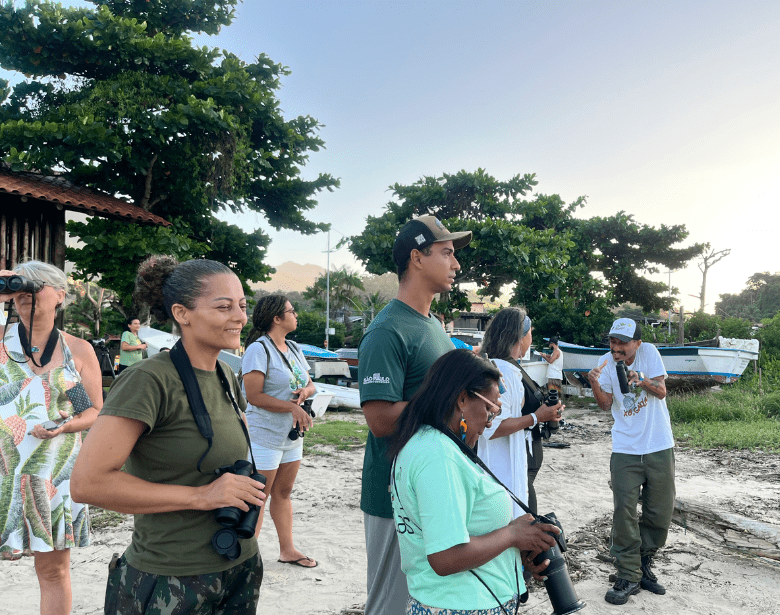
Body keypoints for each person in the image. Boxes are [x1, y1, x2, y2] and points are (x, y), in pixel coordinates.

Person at [70, 256, 266, 614]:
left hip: (239, 566)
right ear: (182, 313)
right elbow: (88, 483)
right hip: (171, 579)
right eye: (224, 307)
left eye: (242, 305)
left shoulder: (225, 374)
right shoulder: (148, 380)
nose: (240, 317)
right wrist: (201, 496)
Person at [386, 349, 559, 614]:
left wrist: (514, 552)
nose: (490, 423)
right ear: (462, 399)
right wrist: (512, 534)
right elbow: (446, 557)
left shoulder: (426, 443)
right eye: (490, 410)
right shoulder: (439, 457)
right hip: (463, 605)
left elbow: (460, 531)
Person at [358, 215, 471, 615]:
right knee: (390, 606)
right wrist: (450, 402)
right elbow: (380, 420)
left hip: (435, 487)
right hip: (395, 496)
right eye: (447, 253)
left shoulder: (434, 325)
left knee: (427, 599)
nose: (456, 264)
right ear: (417, 258)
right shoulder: (387, 330)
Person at [0, 260, 103, 615]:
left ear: (60, 295)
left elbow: (91, 410)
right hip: (3, 471)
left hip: (52, 476)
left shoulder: (77, 350)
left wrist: (66, 426)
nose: (25, 293)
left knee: (53, 570)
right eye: (20, 286)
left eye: (36, 285)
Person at [587, 318, 675, 606]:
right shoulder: (605, 362)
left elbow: (661, 391)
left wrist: (642, 380)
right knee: (623, 512)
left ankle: (643, 565)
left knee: (659, 512)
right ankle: (627, 573)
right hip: (625, 447)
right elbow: (605, 404)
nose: (616, 348)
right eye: (613, 341)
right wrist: (594, 383)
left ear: (637, 343)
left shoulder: (649, 353)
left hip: (659, 444)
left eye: (623, 343)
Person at [241, 294, 318, 568]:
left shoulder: (294, 348)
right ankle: (247, 558)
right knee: (259, 497)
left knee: (283, 493)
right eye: (291, 311)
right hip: (265, 436)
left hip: (291, 436)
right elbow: (253, 396)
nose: (296, 315)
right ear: (276, 318)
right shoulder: (258, 350)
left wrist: (306, 393)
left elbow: (311, 384)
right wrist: (291, 408)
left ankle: (287, 550)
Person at [477, 308, 561, 518]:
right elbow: (492, 428)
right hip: (506, 470)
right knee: (522, 523)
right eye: (531, 332)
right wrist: (537, 417)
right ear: (519, 337)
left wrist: (545, 414)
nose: (531, 337)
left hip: (520, 465)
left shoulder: (510, 368)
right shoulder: (502, 372)